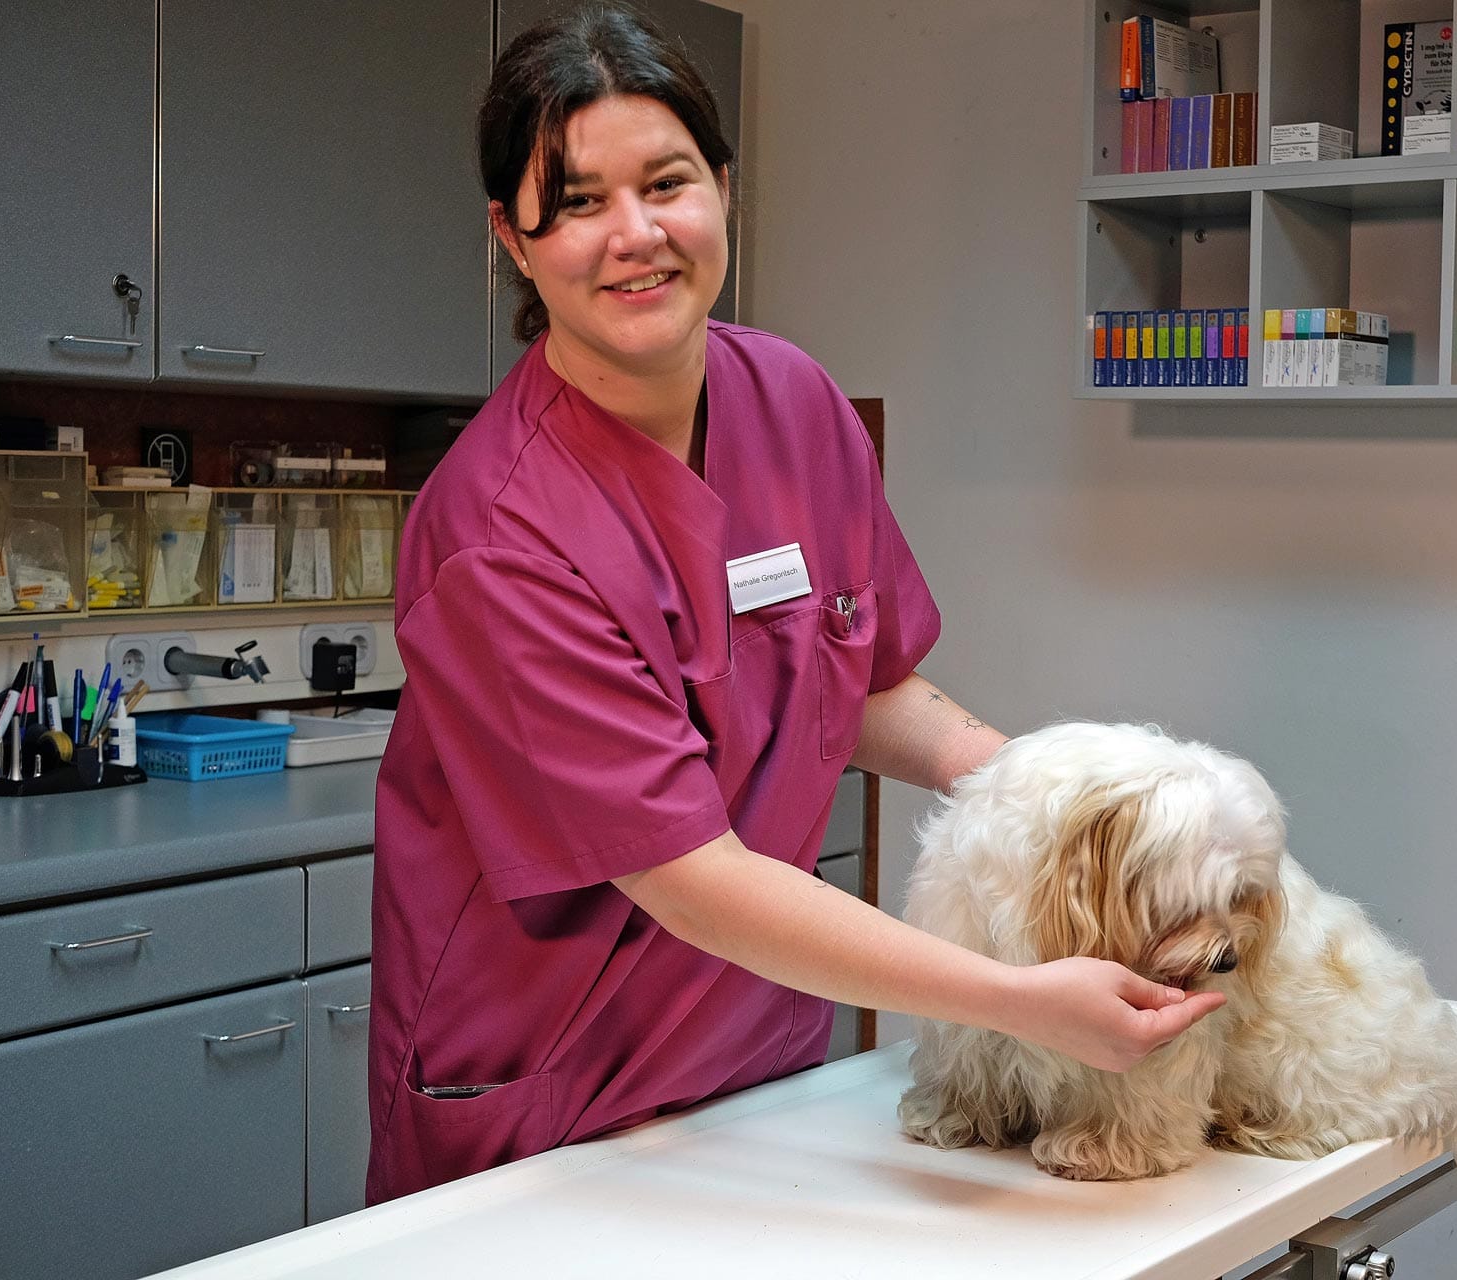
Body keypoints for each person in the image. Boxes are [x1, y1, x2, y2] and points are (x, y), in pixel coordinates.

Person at [367, 4, 1225, 1204]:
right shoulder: (499, 535)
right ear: (515, 238)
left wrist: (1063, 797)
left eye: (667, 181)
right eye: (575, 202)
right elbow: (687, 873)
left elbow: (853, 678)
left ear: (723, 187)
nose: (635, 235)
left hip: (750, 1053)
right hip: (549, 1085)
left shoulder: (797, 400)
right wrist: (1025, 1003)